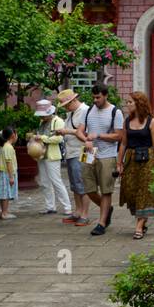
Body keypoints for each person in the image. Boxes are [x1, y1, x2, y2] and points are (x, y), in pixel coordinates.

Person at [77, 83, 124, 236]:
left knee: (106, 191)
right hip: (88, 153)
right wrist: (86, 139)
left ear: (105, 96)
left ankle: (102, 223)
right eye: (94, 97)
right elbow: (79, 131)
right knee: (88, 189)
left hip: (107, 155)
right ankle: (107, 208)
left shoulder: (115, 112)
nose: (95, 100)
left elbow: (119, 136)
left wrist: (98, 135)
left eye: (98, 97)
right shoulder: (89, 110)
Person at [118, 91, 154, 239]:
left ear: (139, 103)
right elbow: (123, 143)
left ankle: (138, 226)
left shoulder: (152, 122)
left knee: (145, 192)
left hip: (148, 160)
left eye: (130, 102)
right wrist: (119, 163)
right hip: (131, 159)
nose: (127, 104)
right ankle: (142, 222)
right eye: (127, 102)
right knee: (131, 191)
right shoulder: (126, 122)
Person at [29, 99, 72, 217]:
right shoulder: (41, 122)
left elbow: (59, 139)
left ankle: (67, 207)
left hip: (53, 156)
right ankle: (50, 206)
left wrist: (42, 138)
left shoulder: (58, 121)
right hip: (42, 155)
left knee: (56, 181)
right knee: (44, 182)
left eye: (43, 115)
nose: (41, 117)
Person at [55, 88, 90, 226]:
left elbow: (86, 132)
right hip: (71, 151)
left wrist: (66, 131)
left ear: (74, 100)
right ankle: (78, 211)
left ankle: (85, 214)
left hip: (83, 151)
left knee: (84, 183)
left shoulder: (85, 111)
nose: (66, 108)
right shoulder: (71, 113)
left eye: (67, 105)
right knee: (75, 184)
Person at [0, 127, 19, 219]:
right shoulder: (8, 147)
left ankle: (4, 211)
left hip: (4, 172)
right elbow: (9, 162)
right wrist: (11, 177)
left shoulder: (5, 146)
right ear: (13, 135)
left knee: (4, 193)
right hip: (7, 173)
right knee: (5, 193)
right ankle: (4, 213)